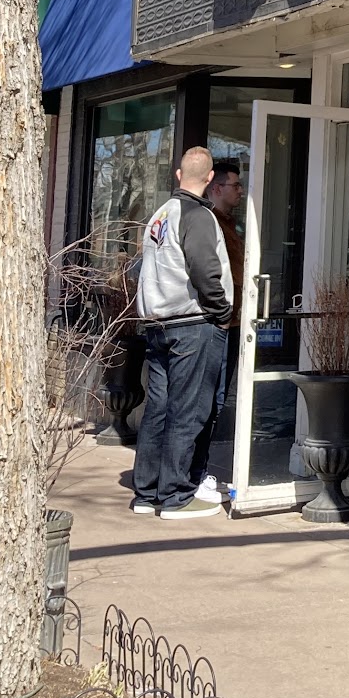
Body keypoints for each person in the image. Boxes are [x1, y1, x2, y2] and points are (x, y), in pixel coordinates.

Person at [132, 146, 233, 520]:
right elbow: (205, 270)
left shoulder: (160, 215)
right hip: (191, 324)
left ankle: (147, 492)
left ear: (178, 175)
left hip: (157, 324)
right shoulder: (197, 215)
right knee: (188, 410)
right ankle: (176, 495)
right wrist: (222, 312)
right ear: (209, 178)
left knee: (158, 408)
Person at [187, 158, 245, 504]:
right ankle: (195, 475)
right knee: (208, 399)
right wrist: (222, 312)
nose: (241, 191)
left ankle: (197, 472)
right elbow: (208, 274)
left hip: (234, 322)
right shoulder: (208, 224)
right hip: (215, 324)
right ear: (216, 187)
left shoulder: (231, 225)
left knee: (218, 399)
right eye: (235, 185)